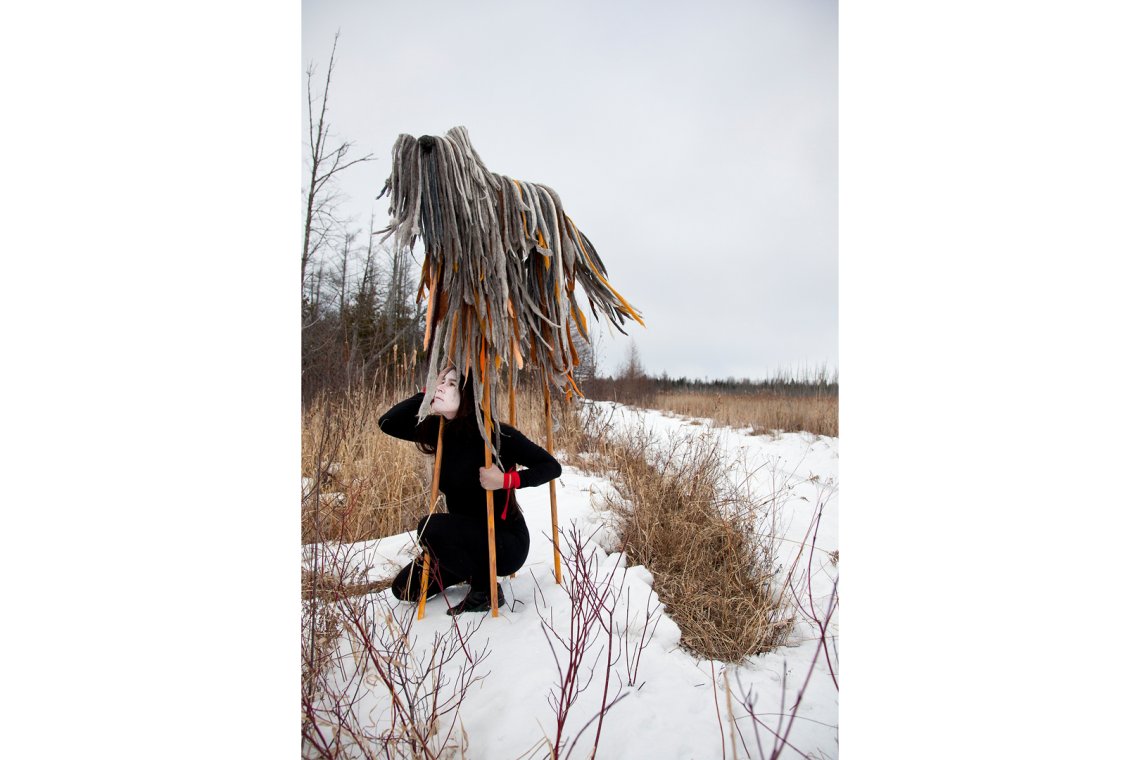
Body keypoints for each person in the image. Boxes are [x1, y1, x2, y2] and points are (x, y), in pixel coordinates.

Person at [378, 366, 562, 614]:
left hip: (504, 542)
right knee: (405, 589)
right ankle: (469, 570)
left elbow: (551, 467)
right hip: (461, 541)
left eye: (451, 384)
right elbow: (388, 422)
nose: (441, 387)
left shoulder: (497, 434)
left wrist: (506, 480)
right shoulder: (439, 430)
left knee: (429, 527)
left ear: (468, 394)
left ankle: (485, 590)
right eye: (439, 382)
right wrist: (428, 390)